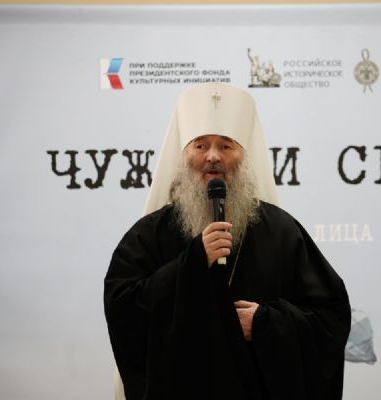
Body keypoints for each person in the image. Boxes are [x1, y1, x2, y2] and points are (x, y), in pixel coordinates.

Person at [104, 83, 351, 400]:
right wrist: (193, 262)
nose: (212, 156)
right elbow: (123, 309)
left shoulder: (282, 231)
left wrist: (266, 324)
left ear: (244, 156)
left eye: (225, 145)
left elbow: (330, 318)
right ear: (184, 155)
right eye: (200, 145)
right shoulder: (149, 234)